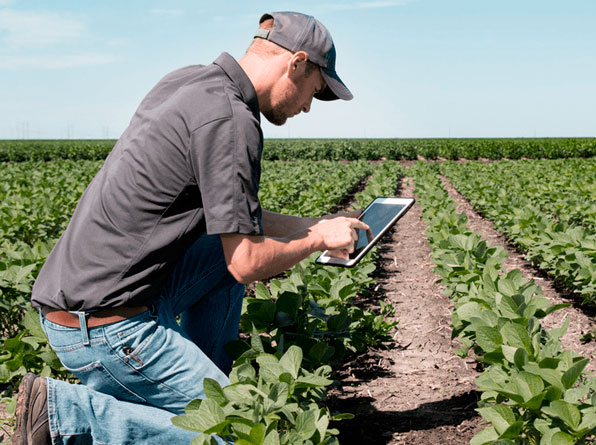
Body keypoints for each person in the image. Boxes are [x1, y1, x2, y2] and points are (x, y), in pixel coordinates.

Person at [12, 11, 368, 445]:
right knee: (236, 429)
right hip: (105, 327)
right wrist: (316, 240)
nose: (308, 106)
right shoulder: (233, 121)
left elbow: (238, 221)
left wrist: (317, 223)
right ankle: (65, 415)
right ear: (295, 63)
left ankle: (202, 380)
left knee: (218, 253)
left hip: (91, 299)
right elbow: (247, 261)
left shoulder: (190, 83)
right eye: (314, 91)